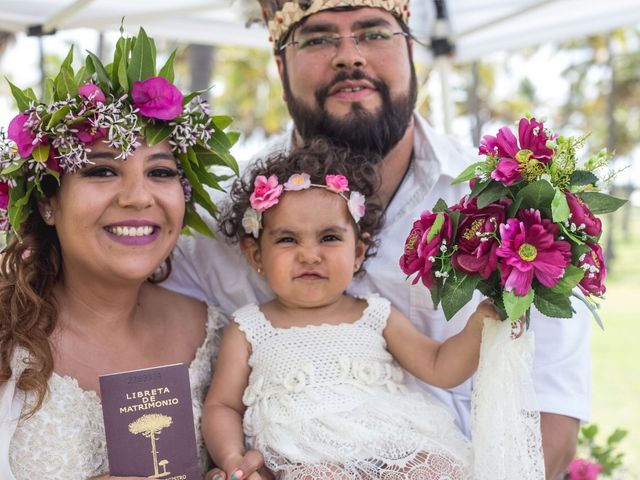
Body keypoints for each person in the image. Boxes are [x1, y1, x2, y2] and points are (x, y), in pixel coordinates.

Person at [164, 1, 592, 478]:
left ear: (411, 52)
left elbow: (551, 417)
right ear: (280, 66)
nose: (349, 56)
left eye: (374, 33)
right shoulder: (215, 231)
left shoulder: (513, 207)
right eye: (319, 37)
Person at [0, 29, 236, 480]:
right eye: (103, 170)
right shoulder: (5, 334)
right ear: (48, 202)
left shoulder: (216, 333)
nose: (137, 197)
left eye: (160, 172)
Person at [203, 141, 504, 480]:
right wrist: (234, 460)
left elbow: (439, 367)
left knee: (436, 467)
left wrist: (478, 325)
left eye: (329, 238)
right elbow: (222, 406)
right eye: (287, 240)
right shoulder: (249, 327)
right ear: (256, 254)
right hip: (306, 454)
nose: (309, 255)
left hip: (390, 442)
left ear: (358, 252)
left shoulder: (375, 314)